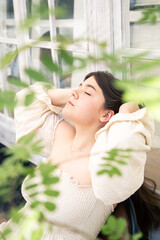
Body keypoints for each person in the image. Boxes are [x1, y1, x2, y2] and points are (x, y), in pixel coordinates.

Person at [0, 71, 156, 239]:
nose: (75, 91)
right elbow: (26, 101)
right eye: (78, 86)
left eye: (88, 92)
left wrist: (127, 110)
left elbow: (126, 141)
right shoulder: (63, 134)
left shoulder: (107, 159)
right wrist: (74, 93)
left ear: (106, 115)